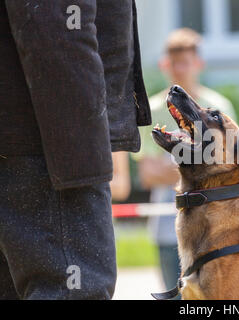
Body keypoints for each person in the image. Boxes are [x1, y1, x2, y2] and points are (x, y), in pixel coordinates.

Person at [0, 1, 151, 299]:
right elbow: (56, 29)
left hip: (30, 145)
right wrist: (84, 161)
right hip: (49, 151)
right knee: (74, 291)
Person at [134, 28, 236, 294]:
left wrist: (172, 163)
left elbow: (229, 166)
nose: (179, 69)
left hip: (215, 224)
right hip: (168, 226)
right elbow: (147, 174)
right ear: (164, 65)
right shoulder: (150, 111)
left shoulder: (218, 107)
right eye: (174, 63)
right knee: (174, 295)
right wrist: (200, 161)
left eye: (186, 62)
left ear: (198, 64)